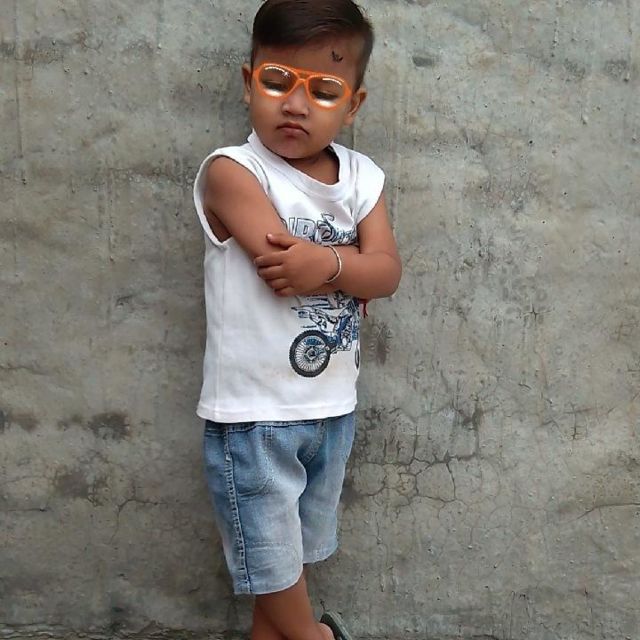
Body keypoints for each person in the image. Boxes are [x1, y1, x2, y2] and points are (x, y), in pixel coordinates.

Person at [192, 1, 401, 639]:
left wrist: (330, 266)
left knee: (288, 567)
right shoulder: (233, 171)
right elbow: (281, 264)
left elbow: (387, 272)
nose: (296, 104)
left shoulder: (362, 178)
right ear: (247, 80)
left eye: (324, 90)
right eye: (277, 80)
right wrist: (349, 265)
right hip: (253, 415)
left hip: (332, 408)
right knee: (273, 569)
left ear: (353, 104)